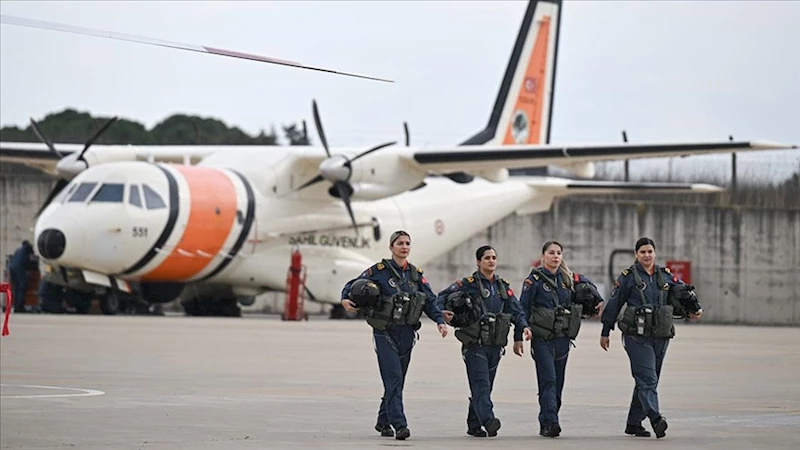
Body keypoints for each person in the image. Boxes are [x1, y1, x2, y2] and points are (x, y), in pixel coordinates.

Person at [341, 230, 448, 441]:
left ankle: (383, 421)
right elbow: (353, 283)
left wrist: (440, 321)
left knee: (397, 381)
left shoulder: (416, 275)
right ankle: (400, 424)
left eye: (408, 243)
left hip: (407, 333)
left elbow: (430, 301)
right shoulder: (379, 271)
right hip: (385, 332)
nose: (404, 247)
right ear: (391, 247)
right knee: (394, 378)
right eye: (400, 243)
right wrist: (345, 298)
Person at [600, 237, 703, 439]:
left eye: (650, 252)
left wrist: (694, 309)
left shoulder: (665, 276)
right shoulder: (628, 277)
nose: (647, 255)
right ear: (636, 255)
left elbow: (682, 291)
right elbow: (614, 303)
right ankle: (656, 419)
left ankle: (633, 423)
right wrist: (606, 330)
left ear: (655, 253)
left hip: (660, 336)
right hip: (636, 337)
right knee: (648, 379)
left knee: (647, 380)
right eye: (642, 252)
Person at [437, 245, 532, 438]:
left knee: (485, 385)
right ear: (478, 262)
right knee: (481, 384)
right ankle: (489, 420)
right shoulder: (468, 284)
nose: (491, 261)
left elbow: (516, 311)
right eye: (487, 258)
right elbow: (441, 297)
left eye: (494, 257)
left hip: (495, 345)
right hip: (475, 344)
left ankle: (473, 425)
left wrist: (524, 328)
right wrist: (441, 314)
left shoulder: (502, 286)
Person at [513, 240, 604, 438]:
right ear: (543, 256)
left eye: (559, 253)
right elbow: (522, 309)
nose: (555, 256)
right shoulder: (533, 281)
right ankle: (552, 422)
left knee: (558, 383)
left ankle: (546, 420)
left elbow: (587, 285)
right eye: (551, 253)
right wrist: (518, 336)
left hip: (562, 338)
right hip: (541, 339)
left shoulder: (568, 279)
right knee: (548, 380)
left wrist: (598, 300)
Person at [8, 240, 37, 313]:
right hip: (19, 268)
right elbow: (32, 259)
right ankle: (20, 306)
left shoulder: (18, 250)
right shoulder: (28, 248)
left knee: (16, 288)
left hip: (12, 268)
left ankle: (16, 306)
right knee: (23, 286)